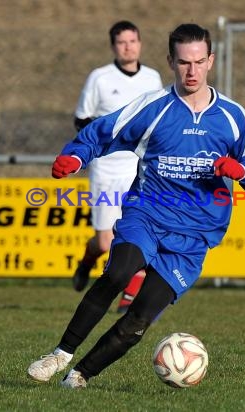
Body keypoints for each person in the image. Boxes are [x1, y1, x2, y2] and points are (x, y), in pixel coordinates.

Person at [27, 23, 245, 389]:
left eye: (199, 62)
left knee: (139, 318)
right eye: (184, 62)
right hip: (148, 215)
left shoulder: (233, 116)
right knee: (119, 272)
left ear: (211, 61)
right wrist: (75, 157)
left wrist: (240, 169)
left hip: (194, 236)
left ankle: (79, 377)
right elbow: (100, 133)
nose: (192, 71)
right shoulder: (153, 107)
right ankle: (60, 354)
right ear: (170, 60)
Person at [71, 21, 163, 315]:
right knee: (104, 240)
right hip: (106, 169)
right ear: (113, 46)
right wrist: (110, 135)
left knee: (139, 231)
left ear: (140, 43)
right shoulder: (99, 78)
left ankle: (129, 296)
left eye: (133, 41)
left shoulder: (153, 78)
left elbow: (161, 118)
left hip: (138, 169)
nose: (128, 46)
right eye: (122, 42)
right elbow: (81, 120)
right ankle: (87, 261)